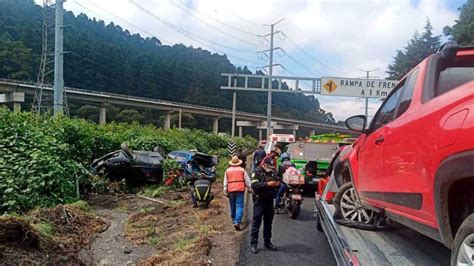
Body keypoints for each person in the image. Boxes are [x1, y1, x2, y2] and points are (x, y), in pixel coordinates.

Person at [250, 156, 280, 254]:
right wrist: (268, 184)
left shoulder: (272, 172)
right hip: (259, 201)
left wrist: (277, 183)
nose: (271, 168)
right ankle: (253, 243)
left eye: (272, 167)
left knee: (268, 223)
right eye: (269, 166)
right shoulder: (257, 172)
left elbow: (278, 181)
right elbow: (254, 185)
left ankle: (267, 242)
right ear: (264, 164)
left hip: (269, 201)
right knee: (256, 223)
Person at [223, 156, 251, 230]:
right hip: (240, 190)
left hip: (231, 190)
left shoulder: (227, 171)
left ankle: (234, 219)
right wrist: (249, 188)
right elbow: (247, 181)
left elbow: (225, 182)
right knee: (239, 206)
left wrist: (225, 191)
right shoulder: (242, 170)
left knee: (232, 205)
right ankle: (237, 221)